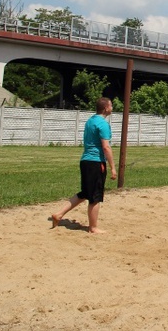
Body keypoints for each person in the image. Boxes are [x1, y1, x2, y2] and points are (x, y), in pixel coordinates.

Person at [51, 97, 117, 233]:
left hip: (85, 161)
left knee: (85, 193)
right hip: (95, 162)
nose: (112, 108)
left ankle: (59, 214)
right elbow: (106, 147)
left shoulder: (90, 121)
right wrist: (113, 168)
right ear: (105, 108)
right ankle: (93, 227)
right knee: (95, 197)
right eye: (111, 105)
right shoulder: (103, 124)